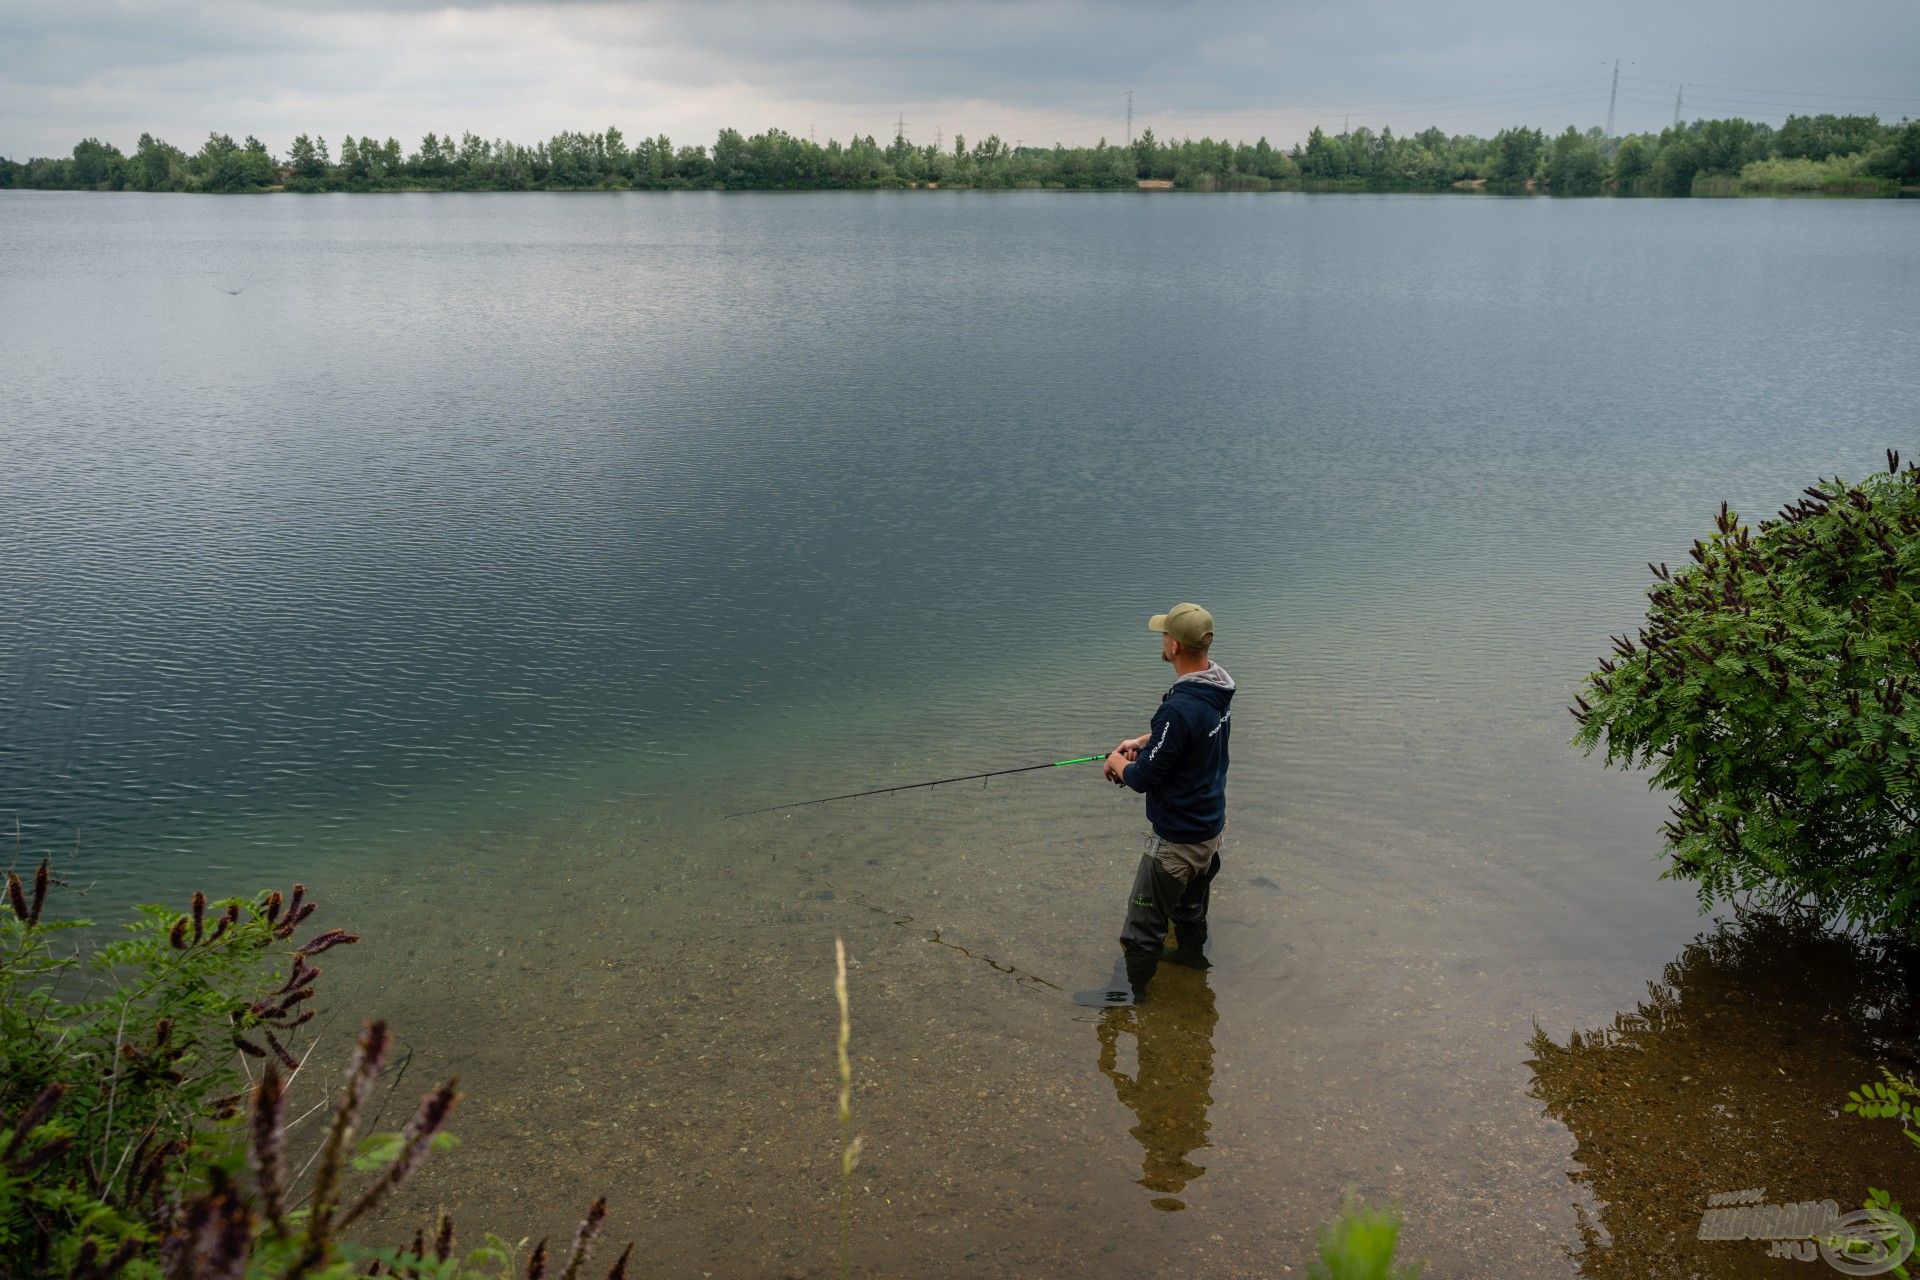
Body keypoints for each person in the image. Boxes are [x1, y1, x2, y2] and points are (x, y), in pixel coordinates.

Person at [1103, 602, 1234, 1002]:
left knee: (1140, 932)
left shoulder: (1178, 709)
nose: (1162, 640)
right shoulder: (1218, 687)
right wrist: (1145, 740)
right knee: (1189, 911)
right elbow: (1186, 736)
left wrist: (1114, 763)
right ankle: (1195, 960)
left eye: (1164, 635)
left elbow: (1142, 778)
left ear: (1174, 646)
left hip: (1177, 844)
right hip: (1209, 832)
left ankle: (1126, 996)